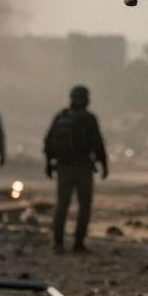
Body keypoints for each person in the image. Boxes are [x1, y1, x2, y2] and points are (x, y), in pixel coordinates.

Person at [44, 85, 109, 253]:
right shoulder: (89, 119)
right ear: (86, 99)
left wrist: (48, 164)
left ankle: (58, 243)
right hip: (83, 168)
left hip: (63, 167)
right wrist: (104, 164)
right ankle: (78, 243)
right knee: (84, 206)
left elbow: (48, 141)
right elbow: (98, 143)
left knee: (62, 206)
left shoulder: (61, 116)